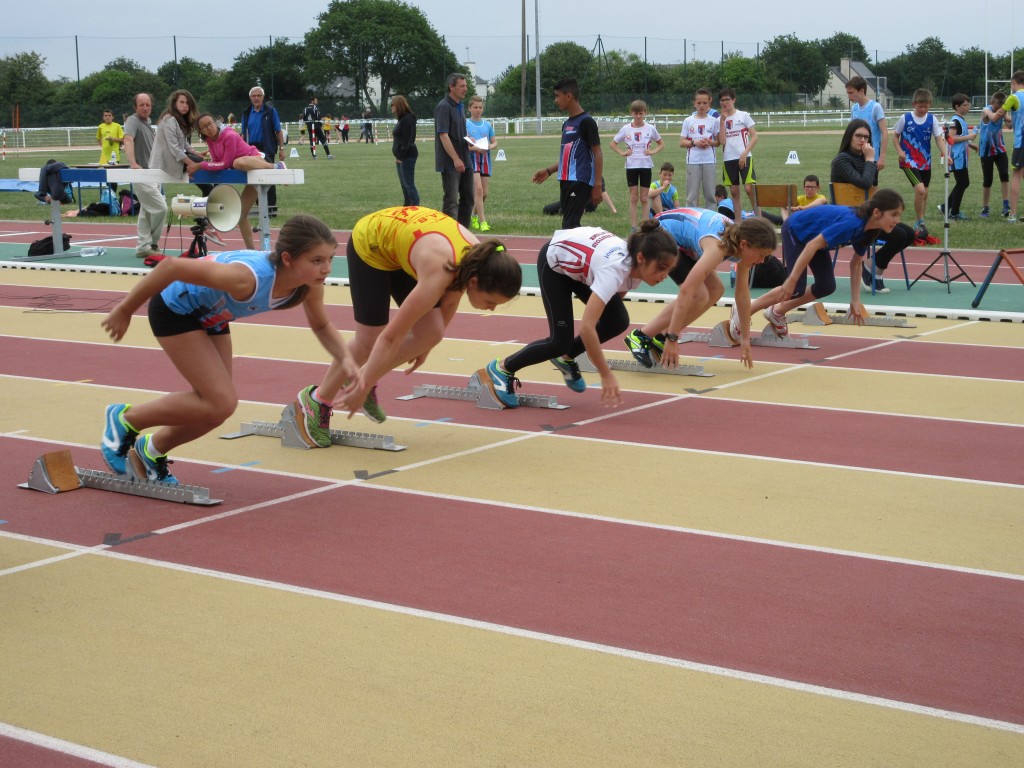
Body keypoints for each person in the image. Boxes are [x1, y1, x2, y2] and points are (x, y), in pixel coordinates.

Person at [99, 214, 356, 484]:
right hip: (176, 308)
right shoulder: (246, 278)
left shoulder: (307, 285)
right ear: (288, 259)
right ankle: (125, 418)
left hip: (213, 316)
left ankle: (150, 452)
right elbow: (170, 268)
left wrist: (347, 361)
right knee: (220, 400)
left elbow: (322, 325)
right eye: (317, 260)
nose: (327, 268)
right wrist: (125, 309)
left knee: (218, 409)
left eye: (330, 258)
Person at [295, 206, 522, 435]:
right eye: (491, 301)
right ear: (473, 283)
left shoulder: (478, 260)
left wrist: (425, 343)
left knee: (432, 333)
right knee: (369, 340)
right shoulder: (442, 270)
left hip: (403, 250)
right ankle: (317, 400)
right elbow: (391, 338)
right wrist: (363, 386)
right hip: (371, 246)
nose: (491, 308)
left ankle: (363, 378)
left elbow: (450, 305)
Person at [482, 221, 676, 410]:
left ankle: (566, 357)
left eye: (668, 269)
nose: (664, 275)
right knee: (558, 342)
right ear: (641, 258)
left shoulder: (635, 267)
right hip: (554, 265)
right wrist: (605, 374)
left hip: (581, 268)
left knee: (617, 320)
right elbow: (587, 328)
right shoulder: (614, 270)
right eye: (661, 268)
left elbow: (611, 304)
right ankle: (502, 368)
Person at [624, 211, 777, 370]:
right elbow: (686, 292)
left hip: (687, 242)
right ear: (744, 244)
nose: (762, 261)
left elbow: (743, 296)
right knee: (698, 294)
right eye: (761, 255)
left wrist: (745, 338)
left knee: (716, 290)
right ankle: (641, 336)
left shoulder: (739, 246)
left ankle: (659, 337)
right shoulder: (717, 248)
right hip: (663, 236)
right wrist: (673, 338)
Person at [747, 189, 907, 337]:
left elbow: (856, 263)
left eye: (899, 215)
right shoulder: (851, 222)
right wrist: (792, 279)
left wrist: (855, 300)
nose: (897, 220)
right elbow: (811, 245)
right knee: (795, 288)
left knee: (826, 286)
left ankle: (777, 311)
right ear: (877, 212)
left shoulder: (871, 230)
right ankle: (745, 311)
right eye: (894, 214)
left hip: (816, 241)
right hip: (796, 231)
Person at [830, 119, 915, 293]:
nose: (862, 140)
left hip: (868, 214)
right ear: (849, 136)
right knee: (897, 235)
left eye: (866, 137)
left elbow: (873, 187)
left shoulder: (865, 159)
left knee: (909, 234)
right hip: (852, 218)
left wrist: (869, 160)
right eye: (858, 136)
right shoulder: (841, 160)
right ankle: (872, 271)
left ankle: (871, 267)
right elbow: (864, 182)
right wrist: (870, 159)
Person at [187, 113, 286, 250]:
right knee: (241, 215)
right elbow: (216, 162)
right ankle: (251, 251)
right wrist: (203, 166)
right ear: (201, 131)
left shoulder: (229, 136)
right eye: (204, 127)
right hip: (250, 173)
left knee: (237, 162)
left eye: (210, 123)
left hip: (259, 162)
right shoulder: (210, 141)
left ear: (215, 123)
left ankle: (277, 167)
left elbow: (225, 164)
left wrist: (200, 165)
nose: (209, 128)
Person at [532, 77, 604, 230]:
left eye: (557, 96)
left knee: (570, 225)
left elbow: (597, 153)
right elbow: (569, 158)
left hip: (579, 182)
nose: (555, 100)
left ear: (569, 96)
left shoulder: (586, 122)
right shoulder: (567, 123)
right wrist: (548, 171)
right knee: (568, 223)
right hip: (565, 181)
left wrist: (597, 185)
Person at [891, 88, 947, 236]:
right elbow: (895, 136)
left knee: (925, 193)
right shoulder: (905, 118)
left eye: (926, 107)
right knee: (920, 190)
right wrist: (900, 151)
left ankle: (920, 220)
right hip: (908, 161)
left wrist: (946, 154)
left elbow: (939, 139)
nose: (923, 109)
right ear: (914, 104)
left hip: (925, 162)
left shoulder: (932, 119)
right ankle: (919, 221)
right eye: (920, 106)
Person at [123, 93, 167, 259]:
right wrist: (133, 163)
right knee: (161, 208)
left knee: (146, 212)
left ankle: (143, 246)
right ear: (135, 107)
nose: (145, 107)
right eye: (141, 105)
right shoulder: (133, 121)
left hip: (154, 174)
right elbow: (128, 139)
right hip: (142, 174)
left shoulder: (148, 123)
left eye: (148, 104)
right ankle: (153, 243)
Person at [610, 99, 664, 231]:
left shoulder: (650, 128)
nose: (638, 116)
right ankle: (633, 226)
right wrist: (623, 153)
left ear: (645, 113)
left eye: (641, 113)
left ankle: (645, 225)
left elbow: (661, 144)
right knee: (634, 197)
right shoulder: (626, 129)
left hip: (645, 166)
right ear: (631, 113)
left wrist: (653, 151)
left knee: (644, 198)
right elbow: (612, 144)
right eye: (636, 113)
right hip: (631, 166)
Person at [434, 73, 474, 227]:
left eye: (466, 85)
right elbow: (443, 135)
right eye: (462, 86)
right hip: (451, 162)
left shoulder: (460, 106)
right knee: (451, 200)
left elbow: (460, 132)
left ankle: (463, 233)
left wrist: (470, 140)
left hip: (466, 159)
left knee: (468, 198)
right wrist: (456, 159)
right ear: (451, 87)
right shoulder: (443, 106)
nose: (465, 89)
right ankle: (449, 235)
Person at [240, 86, 285, 215]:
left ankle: (270, 209)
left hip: (267, 148)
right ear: (250, 98)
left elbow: (278, 131)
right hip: (252, 149)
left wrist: (282, 149)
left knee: (268, 177)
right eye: (253, 96)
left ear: (263, 97)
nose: (256, 98)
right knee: (254, 178)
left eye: (258, 95)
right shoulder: (246, 113)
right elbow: (243, 134)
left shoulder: (270, 112)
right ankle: (260, 208)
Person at [718, 87, 759, 215]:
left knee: (749, 189)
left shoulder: (743, 115)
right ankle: (738, 222)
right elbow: (722, 141)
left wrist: (744, 154)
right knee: (734, 191)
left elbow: (755, 136)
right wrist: (722, 122)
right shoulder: (719, 119)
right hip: (728, 158)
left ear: (734, 100)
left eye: (727, 99)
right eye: (722, 100)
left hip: (744, 156)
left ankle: (759, 218)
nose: (724, 103)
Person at [990, 70, 1024, 222]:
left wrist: (987, 111)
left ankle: (1014, 214)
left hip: (1021, 142)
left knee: (1016, 176)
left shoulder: (1014, 97)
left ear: (1014, 83)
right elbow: (1011, 121)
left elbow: (995, 117)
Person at [679, 89, 719, 209]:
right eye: (699, 102)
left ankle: (710, 224)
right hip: (693, 161)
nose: (702, 105)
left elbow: (718, 142)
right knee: (691, 197)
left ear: (709, 103)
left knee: (710, 196)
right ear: (694, 103)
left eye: (705, 103)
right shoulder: (688, 121)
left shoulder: (714, 121)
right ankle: (692, 223)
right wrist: (694, 142)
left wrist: (709, 142)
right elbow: (681, 142)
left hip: (709, 161)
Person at [940, 94, 977, 221]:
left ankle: (946, 207)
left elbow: (961, 138)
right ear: (957, 106)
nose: (968, 107)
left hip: (961, 157)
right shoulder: (955, 121)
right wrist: (969, 137)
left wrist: (972, 146)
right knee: (963, 182)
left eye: (969, 104)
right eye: (965, 105)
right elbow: (950, 138)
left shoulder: (960, 120)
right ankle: (953, 212)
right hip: (957, 158)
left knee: (963, 183)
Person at [466, 95, 498, 232]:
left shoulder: (487, 125)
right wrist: (474, 148)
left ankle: (473, 215)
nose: (478, 110)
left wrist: (489, 147)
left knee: (484, 193)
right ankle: (483, 222)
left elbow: (495, 142)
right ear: (469, 108)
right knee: (478, 189)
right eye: (475, 107)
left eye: (480, 107)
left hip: (485, 159)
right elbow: (464, 145)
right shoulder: (466, 124)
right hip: (472, 159)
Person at [978, 91, 1011, 218]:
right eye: (997, 108)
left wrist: (1013, 116)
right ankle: (985, 207)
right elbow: (993, 117)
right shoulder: (986, 110)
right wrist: (1003, 113)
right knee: (988, 180)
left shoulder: (1003, 111)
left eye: (1000, 108)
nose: (999, 110)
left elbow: (1009, 125)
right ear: (991, 103)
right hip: (986, 151)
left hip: (1000, 149)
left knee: (1004, 175)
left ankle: (1006, 205)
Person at [846, 75, 888, 172]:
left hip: (872, 155)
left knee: (872, 186)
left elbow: (884, 132)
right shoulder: (854, 108)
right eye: (848, 93)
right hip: (855, 155)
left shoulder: (875, 107)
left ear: (861, 91)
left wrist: (882, 157)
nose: (849, 96)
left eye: (851, 93)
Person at [390, 95, 419, 207]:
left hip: (407, 156)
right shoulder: (402, 119)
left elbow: (408, 141)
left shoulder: (408, 119)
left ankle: (415, 207)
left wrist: (400, 157)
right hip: (401, 157)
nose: (391, 107)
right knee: (404, 185)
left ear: (398, 105)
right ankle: (406, 207)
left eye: (392, 105)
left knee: (409, 185)